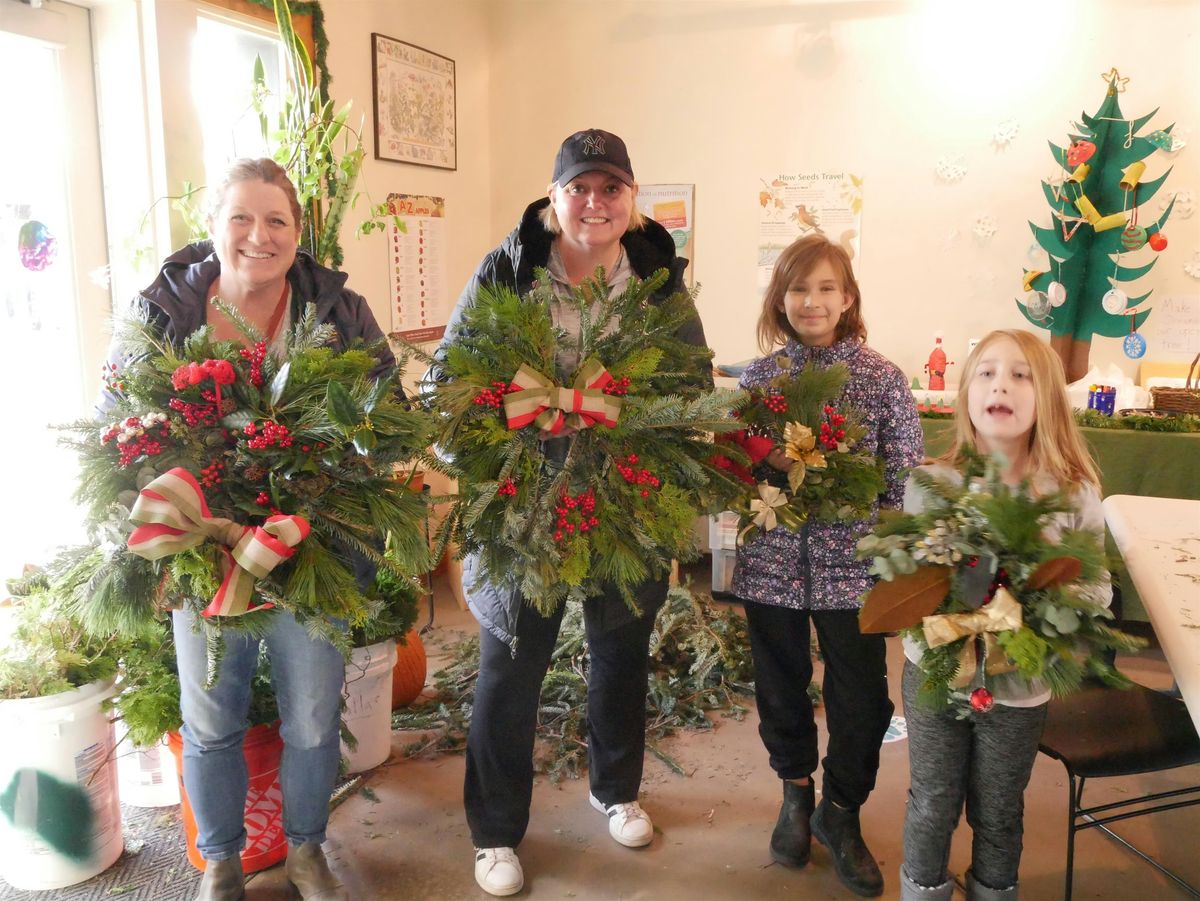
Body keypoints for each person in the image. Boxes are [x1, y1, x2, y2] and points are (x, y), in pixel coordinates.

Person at [103, 158, 394, 901]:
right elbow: (116, 424)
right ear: (212, 225)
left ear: (298, 232)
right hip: (203, 552)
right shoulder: (162, 313)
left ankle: (306, 851)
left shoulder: (338, 313)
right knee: (210, 718)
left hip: (310, 550)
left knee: (311, 716)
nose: (258, 236)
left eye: (276, 221)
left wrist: (328, 485)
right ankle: (222, 861)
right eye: (241, 217)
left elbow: (385, 417)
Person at [437, 129, 709, 897]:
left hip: (625, 500)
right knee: (509, 665)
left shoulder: (656, 279)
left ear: (631, 198)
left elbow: (691, 384)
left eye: (610, 187)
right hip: (525, 503)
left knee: (621, 652)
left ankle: (615, 790)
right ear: (554, 196)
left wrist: (647, 438)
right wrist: (496, 448)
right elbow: (449, 379)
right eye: (579, 187)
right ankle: (494, 832)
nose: (595, 202)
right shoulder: (508, 269)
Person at [730, 234, 923, 897]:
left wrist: (890, 554)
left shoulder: (881, 378)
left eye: (825, 288)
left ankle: (840, 811)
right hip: (771, 565)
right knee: (779, 690)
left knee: (863, 699)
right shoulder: (758, 381)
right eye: (798, 288)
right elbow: (732, 468)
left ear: (847, 298)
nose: (811, 301)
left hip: (855, 571)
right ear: (779, 299)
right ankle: (795, 793)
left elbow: (904, 476)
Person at [898, 329, 1111, 901]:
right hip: (938, 672)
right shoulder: (932, 484)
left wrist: (1041, 599)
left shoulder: (1072, 494)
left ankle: (994, 891)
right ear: (967, 393)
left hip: (1020, 683)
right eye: (987, 373)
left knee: (999, 808)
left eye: (1021, 375)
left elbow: (1096, 588)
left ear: (1048, 397)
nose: (1001, 386)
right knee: (933, 799)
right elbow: (906, 579)